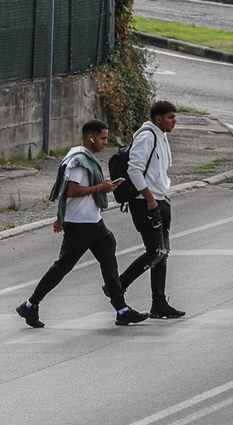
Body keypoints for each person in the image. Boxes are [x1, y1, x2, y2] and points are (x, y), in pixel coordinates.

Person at [16, 120, 149, 328]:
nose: (106, 142)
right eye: (103, 138)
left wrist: (105, 186)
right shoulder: (79, 160)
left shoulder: (83, 157)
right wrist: (99, 188)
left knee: (108, 257)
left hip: (92, 222)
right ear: (91, 137)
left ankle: (122, 309)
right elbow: (70, 191)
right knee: (63, 267)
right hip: (80, 225)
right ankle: (30, 305)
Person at [119, 100, 186, 319]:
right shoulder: (147, 136)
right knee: (155, 251)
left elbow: (160, 171)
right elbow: (134, 170)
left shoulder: (161, 136)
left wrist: (163, 197)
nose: (174, 121)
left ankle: (159, 303)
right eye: (170, 117)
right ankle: (118, 285)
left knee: (163, 254)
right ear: (158, 118)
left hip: (160, 200)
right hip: (145, 202)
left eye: (174, 117)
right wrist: (150, 200)